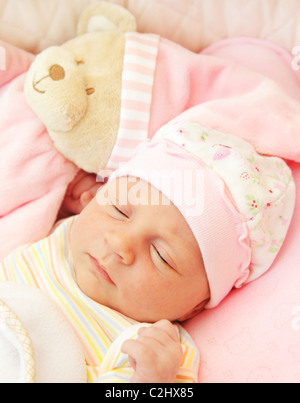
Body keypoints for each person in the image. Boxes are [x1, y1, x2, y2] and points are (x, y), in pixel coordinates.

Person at [0, 121, 295, 383]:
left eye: (161, 256)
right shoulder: (57, 230)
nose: (120, 244)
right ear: (91, 200)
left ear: (192, 307)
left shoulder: (160, 351)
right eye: (118, 210)